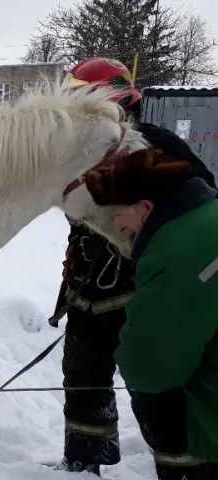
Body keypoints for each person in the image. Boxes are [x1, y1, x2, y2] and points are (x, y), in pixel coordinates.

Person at [51, 56, 217, 477]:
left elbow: (195, 203)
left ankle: (183, 465)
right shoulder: (88, 153)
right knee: (83, 368)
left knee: (155, 381)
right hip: (91, 284)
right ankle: (85, 455)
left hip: (146, 285)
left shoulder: (155, 145)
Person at [82, 147, 218, 480]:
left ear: (146, 207)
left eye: (118, 213)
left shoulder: (178, 251)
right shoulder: (207, 218)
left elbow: (150, 365)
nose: (118, 224)